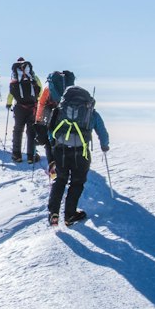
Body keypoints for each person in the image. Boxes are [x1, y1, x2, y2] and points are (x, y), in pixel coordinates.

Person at [42, 79, 109, 228]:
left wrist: (55, 145)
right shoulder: (91, 111)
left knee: (60, 180)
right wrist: (105, 146)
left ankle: (53, 212)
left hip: (61, 150)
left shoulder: (59, 110)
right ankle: (70, 215)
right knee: (77, 182)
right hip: (81, 153)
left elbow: (51, 131)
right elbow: (102, 131)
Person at [6, 58, 42, 163]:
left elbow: (11, 93)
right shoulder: (33, 77)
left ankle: (16, 155)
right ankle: (31, 156)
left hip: (19, 107)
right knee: (31, 131)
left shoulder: (15, 79)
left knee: (18, 130)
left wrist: (9, 103)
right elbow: (39, 90)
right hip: (32, 107)